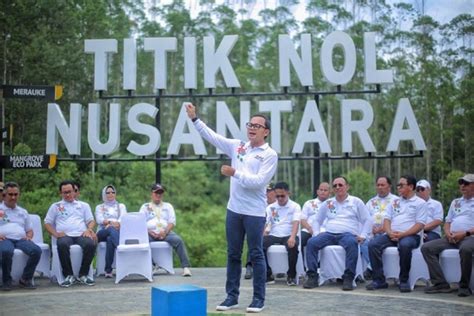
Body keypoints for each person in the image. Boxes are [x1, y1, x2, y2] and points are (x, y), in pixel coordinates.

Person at [186, 103, 277, 313]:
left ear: (266, 132)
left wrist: (234, 173)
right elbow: (213, 137)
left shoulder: (269, 154)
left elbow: (259, 182)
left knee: (256, 255)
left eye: (257, 125)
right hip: (234, 210)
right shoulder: (238, 146)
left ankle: (258, 299)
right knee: (233, 254)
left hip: (254, 213)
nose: (252, 128)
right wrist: (194, 119)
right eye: (250, 124)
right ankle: (231, 297)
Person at [303, 176, 371, 291]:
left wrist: (363, 236)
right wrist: (316, 233)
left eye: (340, 185)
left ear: (347, 187)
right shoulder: (329, 203)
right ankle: (313, 276)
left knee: (352, 243)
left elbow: (368, 220)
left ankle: (348, 278)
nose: (338, 187)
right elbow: (317, 220)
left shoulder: (356, 202)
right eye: (335, 186)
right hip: (329, 234)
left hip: (348, 234)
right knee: (311, 242)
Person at [366, 175, 427, 293]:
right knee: (373, 244)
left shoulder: (420, 203)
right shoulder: (394, 202)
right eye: (398, 185)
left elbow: (420, 225)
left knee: (404, 245)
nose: (398, 187)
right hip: (392, 234)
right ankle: (379, 280)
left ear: (411, 186)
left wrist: (402, 235)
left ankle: (403, 280)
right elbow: (387, 220)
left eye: (401, 185)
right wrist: (389, 232)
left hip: (411, 236)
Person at [421, 173, 474, 297]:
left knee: (466, 249)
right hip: (452, 237)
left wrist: (465, 233)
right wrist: (448, 232)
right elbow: (448, 221)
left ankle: (464, 286)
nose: (462, 186)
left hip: (470, 237)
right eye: (461, 183)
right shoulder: (456, 202)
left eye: (466, 183)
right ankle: (440, 283)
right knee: (427, 248)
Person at [44, 180, 97, 287]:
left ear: (74, 191)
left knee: (91, 244)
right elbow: (47, 223)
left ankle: (83, 275)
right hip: (65, 235)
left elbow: (91, 221)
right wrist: (56, 234)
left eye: (70, 191)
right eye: (65, 192)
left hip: (81, 234)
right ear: (60, 193)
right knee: (62, 244)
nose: (68, 194)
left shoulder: (83, 205)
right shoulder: (56, 206)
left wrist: (89, 229)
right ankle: (68, 275)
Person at [139, 183, 191, 277]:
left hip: (165, 232)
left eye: (160, 193)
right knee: (141, 242)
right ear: (152, 194)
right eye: (156, 193)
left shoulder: (168, 206)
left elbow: (172, 222)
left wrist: (165, 232)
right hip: (149, 232)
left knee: (178, 240)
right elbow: (140, 222)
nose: (158, 195)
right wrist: (148, 231)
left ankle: (185, 267)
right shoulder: (145, 206)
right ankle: (152, 265)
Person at [0, 182, 41, 291]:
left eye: (15, 194)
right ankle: (6, 281)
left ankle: (25, 279)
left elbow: (29, 230)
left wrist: (29, 236)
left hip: (20, 239)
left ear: (19, 195)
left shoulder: (23, 212)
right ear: (4, 195)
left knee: (36, 251)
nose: (13, 197)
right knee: (6, 251)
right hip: (5, 239)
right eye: (10, 194)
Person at [263, 182, 301, 286]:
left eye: (282, 196)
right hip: (274, 234)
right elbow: (266, 222)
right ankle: (268, 274)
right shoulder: (270, 207)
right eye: (277, 196)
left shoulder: (295, 206)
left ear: (288, 193)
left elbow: (296, 222)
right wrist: (262, 233)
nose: (280, 198)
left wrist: (293, 237)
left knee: (293, 246)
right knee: (258, 245)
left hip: (288, 234)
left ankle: (291, 275)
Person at [361, 176, 398, 279]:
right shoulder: (371, 202)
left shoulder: (396, 201)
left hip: (389, 232)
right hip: (372, 233)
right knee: (362, 242)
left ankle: (371, 269)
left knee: (376, 242)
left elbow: (398, 219)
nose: (380, 187)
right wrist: (370, 229)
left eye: (383, 185)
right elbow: (365, 219)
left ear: (389, 186)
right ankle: (372, 267)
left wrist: (383, 229)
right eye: (378, 185)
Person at [245, 183, 276, 280]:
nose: (267, 194)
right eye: (266, 191)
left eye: (269, 191)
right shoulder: (260, 204)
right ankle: (249, 266)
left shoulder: (279, 204)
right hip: (262, 229)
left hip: (275, 230)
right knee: (254, 237)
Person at [95, 185, 127, 278]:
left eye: (112, 192)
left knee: (110, 239)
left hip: (116, 231)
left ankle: (108, 270)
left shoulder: (121, 206)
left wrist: (115, 224)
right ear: (104, 194)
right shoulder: (99, 207)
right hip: (102, 232)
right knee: (110, 229)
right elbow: (99, 220)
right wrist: (110, 223)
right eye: (108, 192)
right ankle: (123, 253)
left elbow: (123, 218)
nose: (110, 194)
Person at [300, 182, 330, 271]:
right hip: (309, 230)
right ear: (317, 191)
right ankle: (302, 268)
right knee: (299, 240)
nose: (323, 192)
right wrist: (310, 228)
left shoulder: (333, 204)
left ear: (329, 192)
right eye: (321, 190)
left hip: (326, 231)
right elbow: (302, 219)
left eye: (325, 190)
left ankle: (321, 267)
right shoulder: (309, 203)